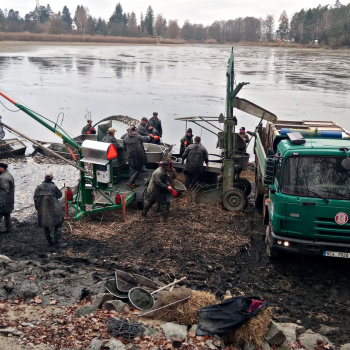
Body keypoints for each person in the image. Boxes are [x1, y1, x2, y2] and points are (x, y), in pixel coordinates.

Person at [34, 172, 65, 248]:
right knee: (58, 225)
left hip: (43, 210)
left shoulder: (38, 187)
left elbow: (35, 199)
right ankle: (57, 243)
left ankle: (50, 242)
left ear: (44, 178)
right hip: (54, 209)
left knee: (46, 227)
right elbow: (60, 195)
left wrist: (38, 208)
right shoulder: (53, 187)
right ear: (52, 178)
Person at [0, 163, 14, 233]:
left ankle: (8, 229)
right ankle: (8, 229)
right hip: (9, 200)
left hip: (4, 201)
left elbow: (4, 191)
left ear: (2, 168)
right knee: (7, 215)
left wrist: (1, 202)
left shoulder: (4, 178)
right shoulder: (8, 174)